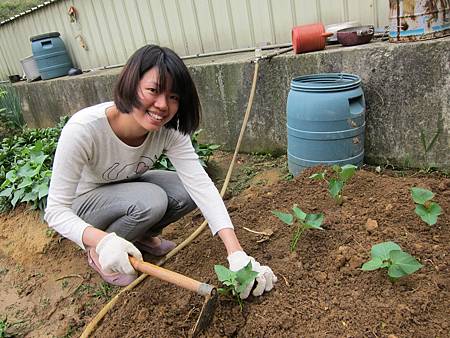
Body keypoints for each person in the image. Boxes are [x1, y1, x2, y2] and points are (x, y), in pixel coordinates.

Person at [44, 44, 276, 299]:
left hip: (125, 188)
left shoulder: (170, 130)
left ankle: (139, 236)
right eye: (153, 90)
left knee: (185, 191)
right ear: (132, 84)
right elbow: (55, 212)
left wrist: (236, 253)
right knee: (150, 201)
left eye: (174, 96)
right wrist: (102, 240)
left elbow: (200, 185)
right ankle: (100, 253)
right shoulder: (84, 129)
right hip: (86, 203)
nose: (163, 105)